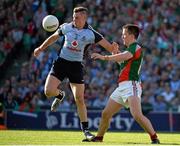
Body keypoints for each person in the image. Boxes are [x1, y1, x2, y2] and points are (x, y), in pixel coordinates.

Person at [33, 6, 118, 141]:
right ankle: (60, 95)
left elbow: (109, 47)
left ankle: (86, 131)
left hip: (76, 67)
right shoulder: (67, 27)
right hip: (61, 63)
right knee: (48, 91)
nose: (74, 19)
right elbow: (54, 37)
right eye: (73, 17)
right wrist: (40, 48)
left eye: (77, 17)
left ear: (84, 18)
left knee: (79, 99)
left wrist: (114, 49)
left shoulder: (91, 33)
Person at [90, 24, 160, 144]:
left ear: (132, 36)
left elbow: (124, 56)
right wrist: (115, 52)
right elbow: (121, 62)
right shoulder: (129, 49)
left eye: (124, 34)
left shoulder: (135, 47)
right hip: (122, 86)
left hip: (131, 85)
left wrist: (104, 57)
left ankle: (154, 138)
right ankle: (99, 138)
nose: (122, 37)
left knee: (137, 115)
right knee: (106, 113)